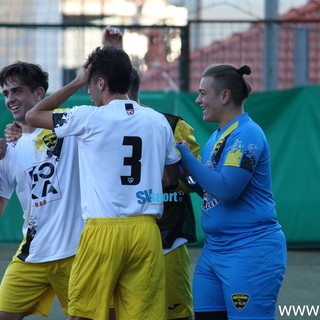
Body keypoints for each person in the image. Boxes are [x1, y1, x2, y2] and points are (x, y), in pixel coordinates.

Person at [25, 46, 180, 320]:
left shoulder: (87, 117)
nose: (88, 91)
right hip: (146, 232)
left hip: (103, 230)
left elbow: (33, 116)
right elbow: (170, 179)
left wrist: (74, 81)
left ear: (100, 82)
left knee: (83, 314)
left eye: (89, 84)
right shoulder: (158, 121)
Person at [176, 64, 287, 320]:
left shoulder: (246, 134)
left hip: (249, 251)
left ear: (224, 96)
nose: (198, 100)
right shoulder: (218, 136)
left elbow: (226, 189)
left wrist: (185, 158)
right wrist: (180, 173)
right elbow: (209, 189)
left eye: (204, 93)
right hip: (214, 251)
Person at [0, 62, 84, 319]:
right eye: (6, 93)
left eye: (17, 91)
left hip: (76, 254)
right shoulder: (8, 149)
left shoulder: (71, 127)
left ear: (39, 94)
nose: (10, 99)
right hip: (32, 254)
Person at [128, 67, 198, 320]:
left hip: (167, 239)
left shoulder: (172, 125)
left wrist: (157, 185)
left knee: (176, 314)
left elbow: (194, 179)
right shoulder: (93, 126)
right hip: (117, 240)